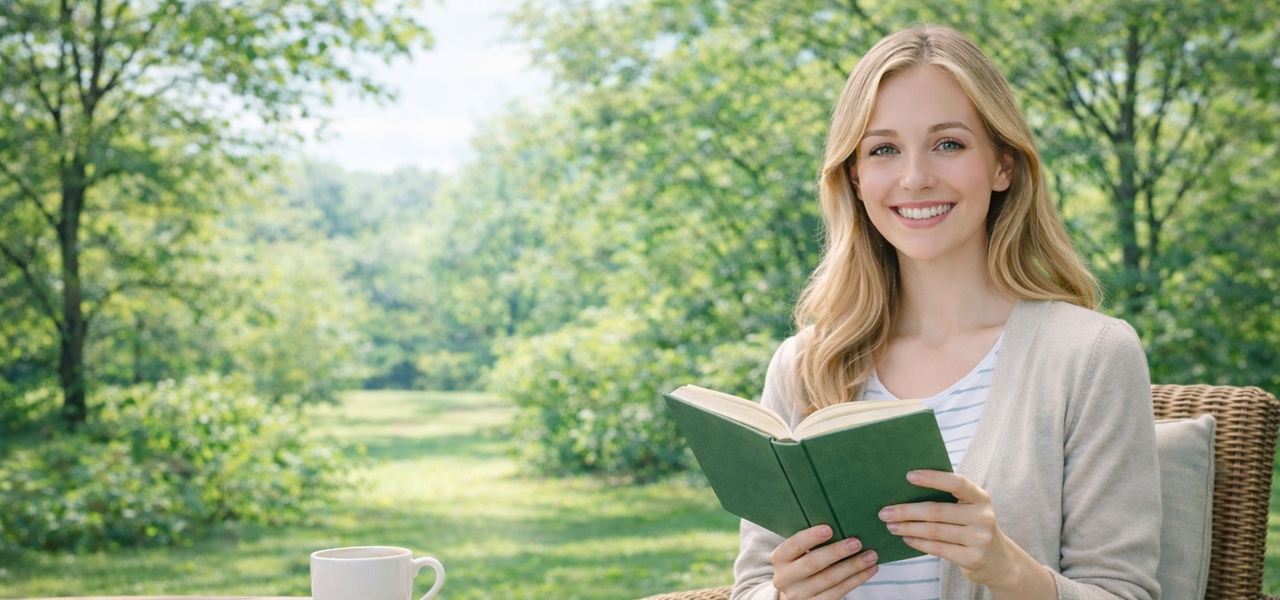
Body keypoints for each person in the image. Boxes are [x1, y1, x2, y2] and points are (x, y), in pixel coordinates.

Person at [731, 25, 1161, 600]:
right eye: (884, 149)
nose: (915, 178)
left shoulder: (1089, 355)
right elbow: (753, 586)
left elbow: (1125, 592)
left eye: (948, 144)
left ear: (1003, 165)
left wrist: (1008, 569)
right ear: (856, 178)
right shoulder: (806, 362)